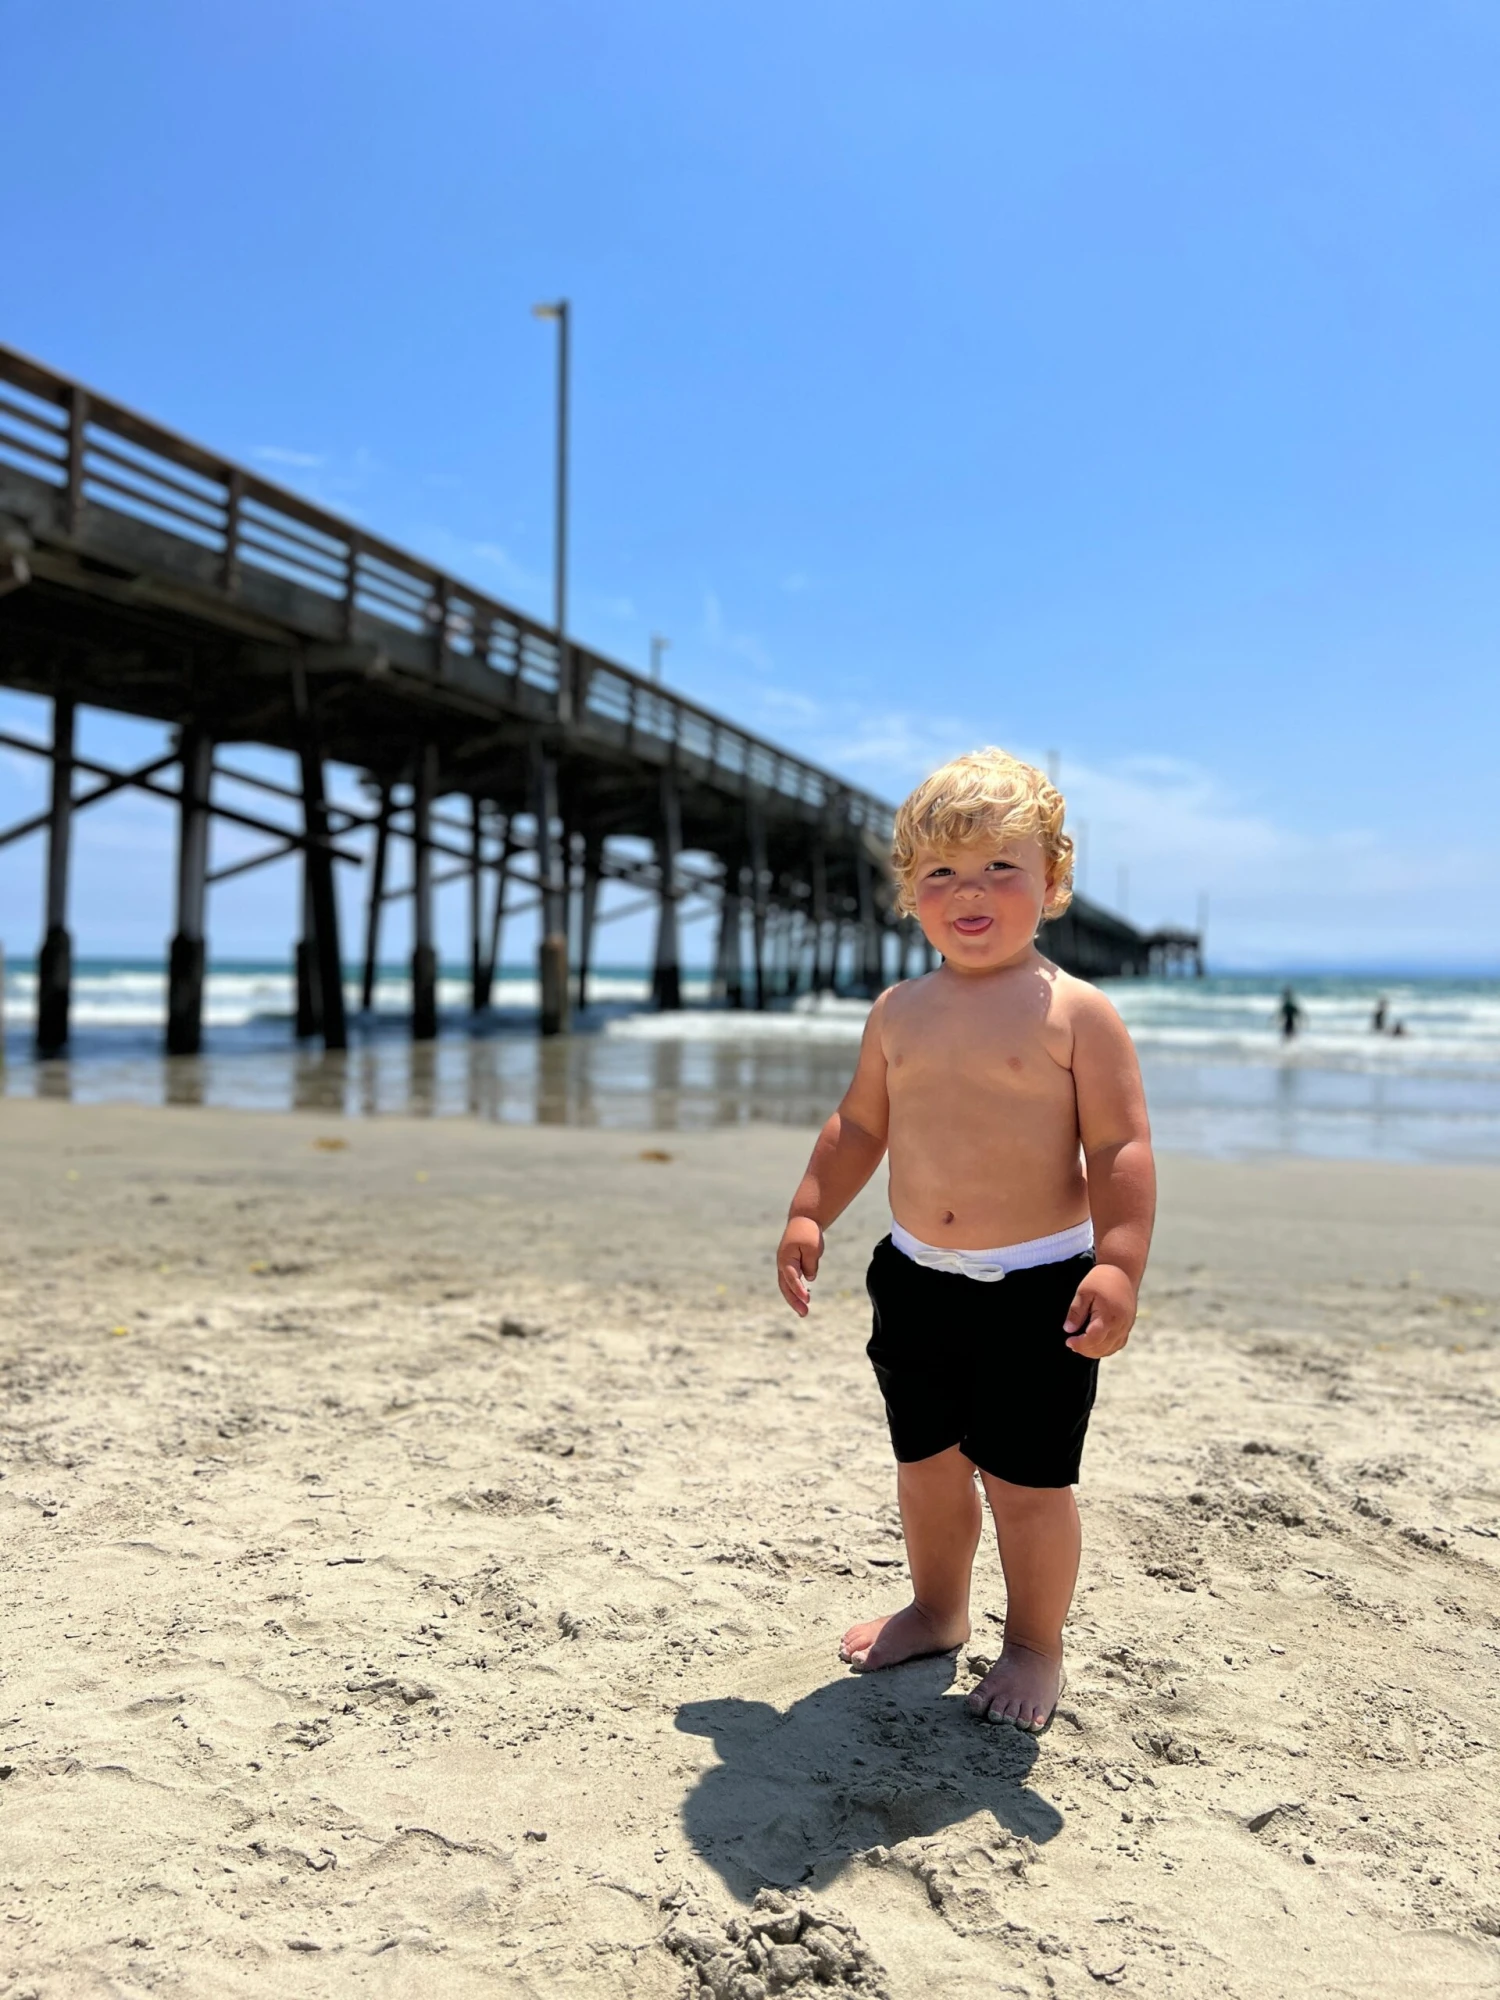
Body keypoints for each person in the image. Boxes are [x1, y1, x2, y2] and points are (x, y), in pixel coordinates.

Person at [775, 748, 1155, 1734]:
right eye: (942, 871)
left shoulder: (1077, 1012)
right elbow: (860, 1125)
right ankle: (939, 1609)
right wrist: (811, 1209)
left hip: (1039, 1289)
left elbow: (1119, 1147)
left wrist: (1119, 1263)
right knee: (928, 1464)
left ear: (1052, 881)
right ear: (910, 892)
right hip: (915, 1280)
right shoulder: (899, 1012)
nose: (970, 891)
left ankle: (1034, 1642)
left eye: (1000, 867)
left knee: (1028, 1485)